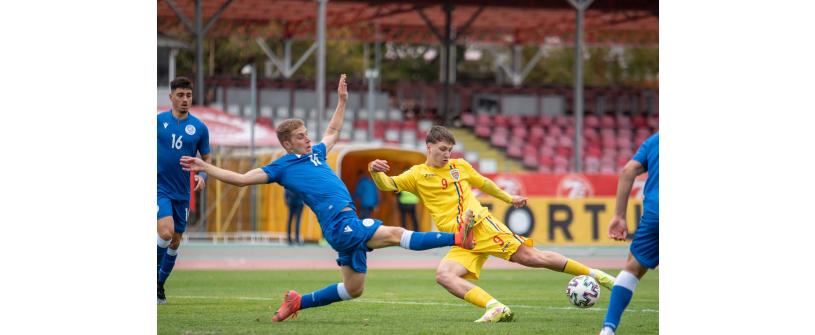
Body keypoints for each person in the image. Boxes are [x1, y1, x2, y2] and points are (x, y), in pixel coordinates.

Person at [180, 75, 477, 322]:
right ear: (287, 143)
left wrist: (342, 101)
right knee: (396, 233)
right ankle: (457, 238)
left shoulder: (317, 153)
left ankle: (297, 302)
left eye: (307, 134)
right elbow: (243, 179)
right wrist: (206, 166)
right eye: (300, 136)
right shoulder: (281, 167)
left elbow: (333, 130)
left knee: (354, 289)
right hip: (340, 224)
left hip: (343, 225)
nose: (308, 139)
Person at [368, 125, 616, 323]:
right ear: (429, 146)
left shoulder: (459, 166)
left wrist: (509, 198)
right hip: (461, 239)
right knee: (444, 275)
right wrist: (374, 170)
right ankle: (496, 307)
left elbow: (484, 183)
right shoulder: (416, 175)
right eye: (442, 149)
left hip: (480, 226)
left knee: (533, 258)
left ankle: (600, 277)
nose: (447, 154)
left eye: (450, 150)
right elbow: (387, 185)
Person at [157, 77, 211, 305]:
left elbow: (206, 158)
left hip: (183, 193)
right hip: (159, 188)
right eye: (180, 95)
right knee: (166, 232)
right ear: (171, 97)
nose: (185, 100)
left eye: (188, 95)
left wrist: (202, 175)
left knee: (175, 241)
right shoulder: (157, 123)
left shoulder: (199, 128)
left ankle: (158, 285)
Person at [598, 133, 658, 335]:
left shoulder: (656, 140)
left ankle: (608, 329)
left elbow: (628, 170)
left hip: (656, 213)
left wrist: (619, 215)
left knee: (632, 268)